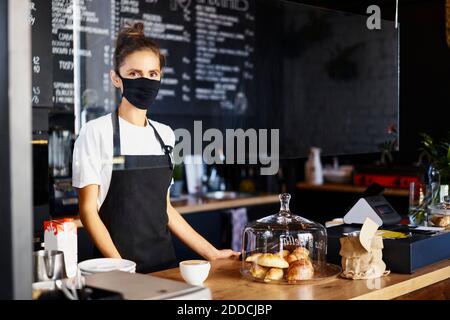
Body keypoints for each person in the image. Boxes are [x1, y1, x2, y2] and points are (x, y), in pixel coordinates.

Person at [72, 22, 240, 273]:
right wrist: (120, 268)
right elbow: (87, 211)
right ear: (116, 78)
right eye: (135, 73)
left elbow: (165, 208)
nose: (146, 81)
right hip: (117, 270)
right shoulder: (96, 132)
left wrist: (212, 253)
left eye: (152, 74)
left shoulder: (165, 135)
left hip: (165, 268)